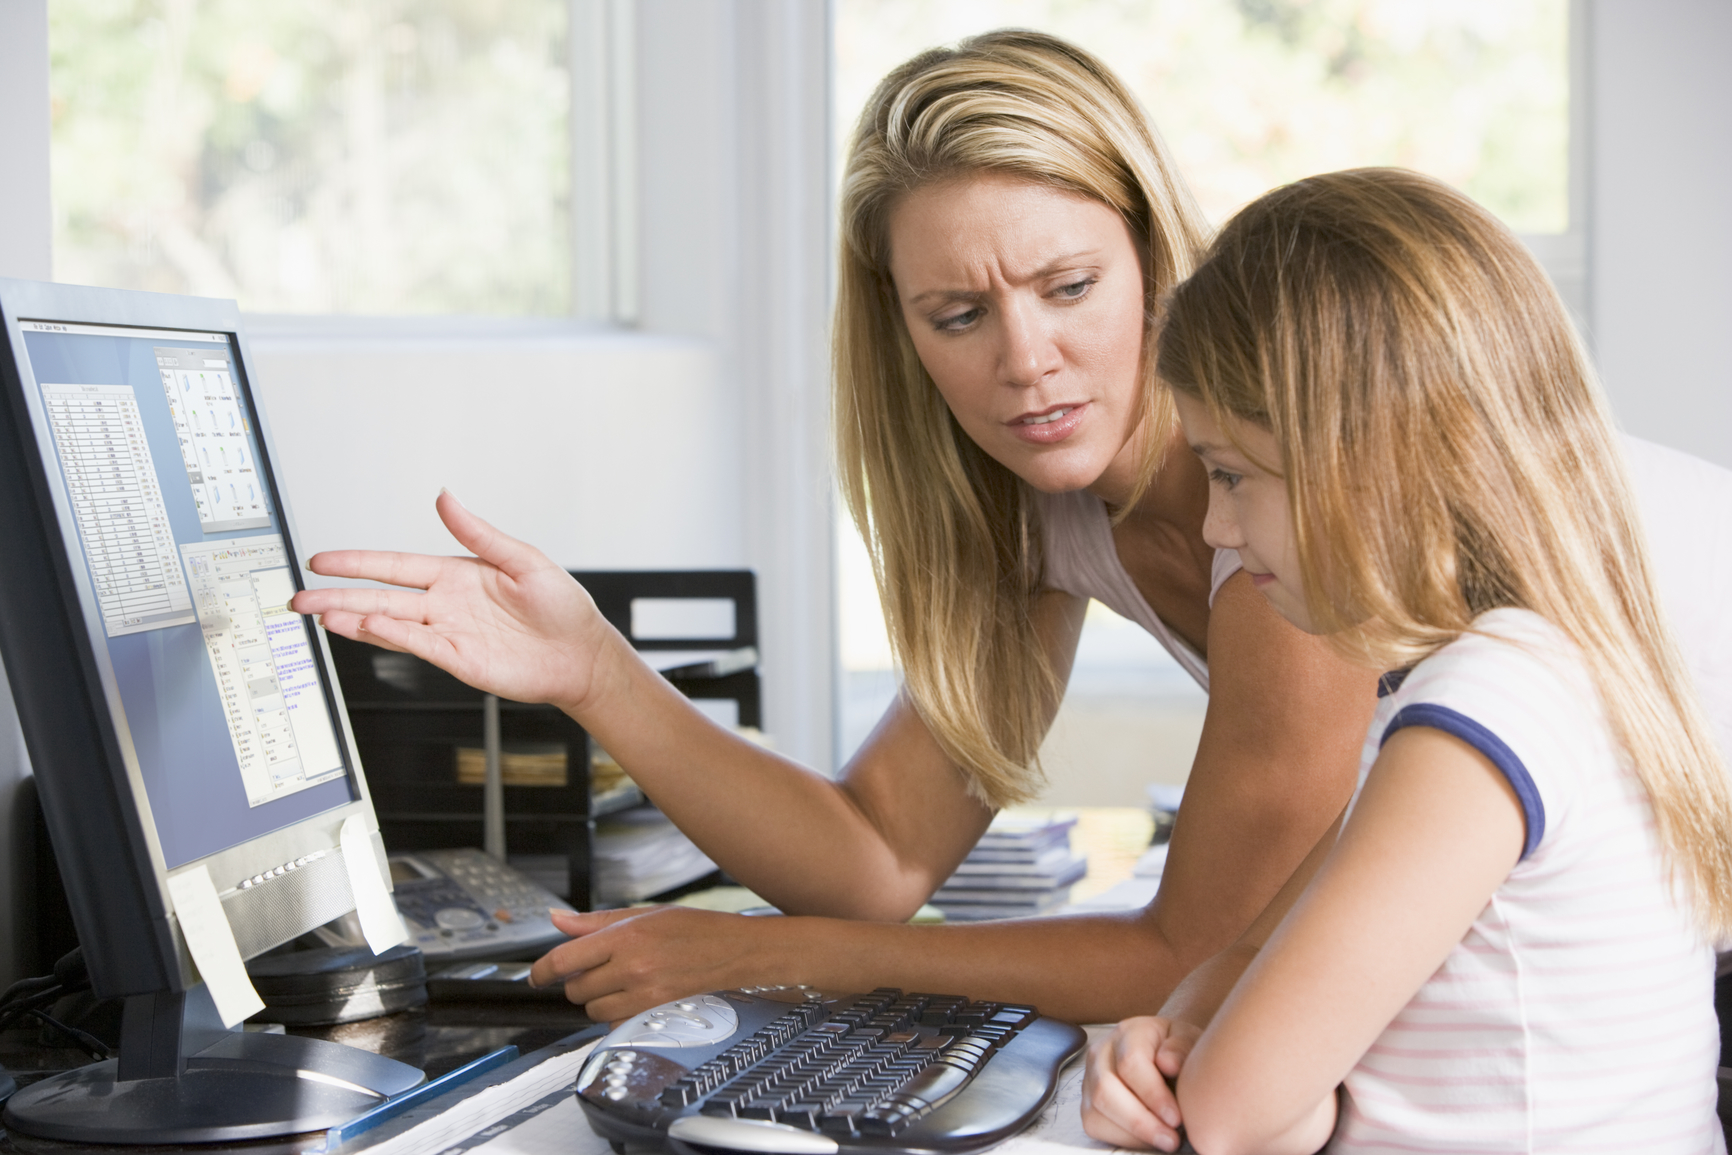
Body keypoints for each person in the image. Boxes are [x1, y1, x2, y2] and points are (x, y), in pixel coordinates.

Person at [289, 30, 1382, 1026]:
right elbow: (879, 855)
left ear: (1155, 260)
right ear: (900, 328)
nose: (1023, 358)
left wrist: (775, 958)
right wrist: (594, 670)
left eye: (1069, 286)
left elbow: (1174, 959)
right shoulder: (1050, 509)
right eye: (957, 315)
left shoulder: (1296, 493)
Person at [1079, 168, 1732, 1153]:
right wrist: (1206, 1040)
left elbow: (1231, 1114)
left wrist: (1210, 1064)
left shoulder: (1487, 706)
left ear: (1373, 459)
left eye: (1232, 476)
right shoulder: (1546, 661)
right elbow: (1248, 979)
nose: (1216, 526)